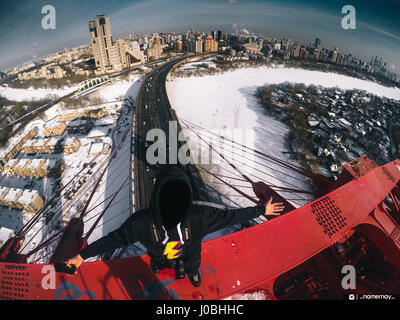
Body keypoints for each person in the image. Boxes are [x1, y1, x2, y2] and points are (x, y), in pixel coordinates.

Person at [66, 166, 284, 287]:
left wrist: (260, 211)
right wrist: (82, 255)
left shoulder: (198, 217)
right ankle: (163, 265)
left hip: (189, 257)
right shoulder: (142, 223)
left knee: (191, 264)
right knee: (160, 261)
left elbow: (231, 217)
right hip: (161, 255)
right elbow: (113, 239)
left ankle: (192, 272)